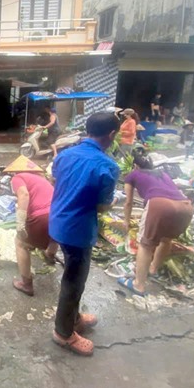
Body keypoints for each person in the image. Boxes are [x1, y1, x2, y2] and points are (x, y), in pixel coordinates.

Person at [49, 112, 120, 356]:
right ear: (111, 135)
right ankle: (63, 332)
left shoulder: (65, 155)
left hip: (57, 222)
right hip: (78, 231)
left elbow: (58, 181)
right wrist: (113, 201)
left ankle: (74, 317)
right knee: (73, 281)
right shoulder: (108, 166)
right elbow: (101, 206)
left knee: (72, 274)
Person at [118, 149, 193, 296]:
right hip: (186, 206)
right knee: (166, 240)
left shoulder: (132, 174)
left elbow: (128, 202)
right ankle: (153, 269)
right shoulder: (163, 174)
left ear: (135, 166)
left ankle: (138, 285)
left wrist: (126, 220)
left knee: (145, 246)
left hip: (160, 204)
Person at [5, 155, 60, 296]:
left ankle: (26, 284)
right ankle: (50, 255)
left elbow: (23, 195)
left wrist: (20, 223)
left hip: (42, 216)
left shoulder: (18, 178)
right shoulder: (41, 179)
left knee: (21, 243)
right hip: (59, 214)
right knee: (53, 233)